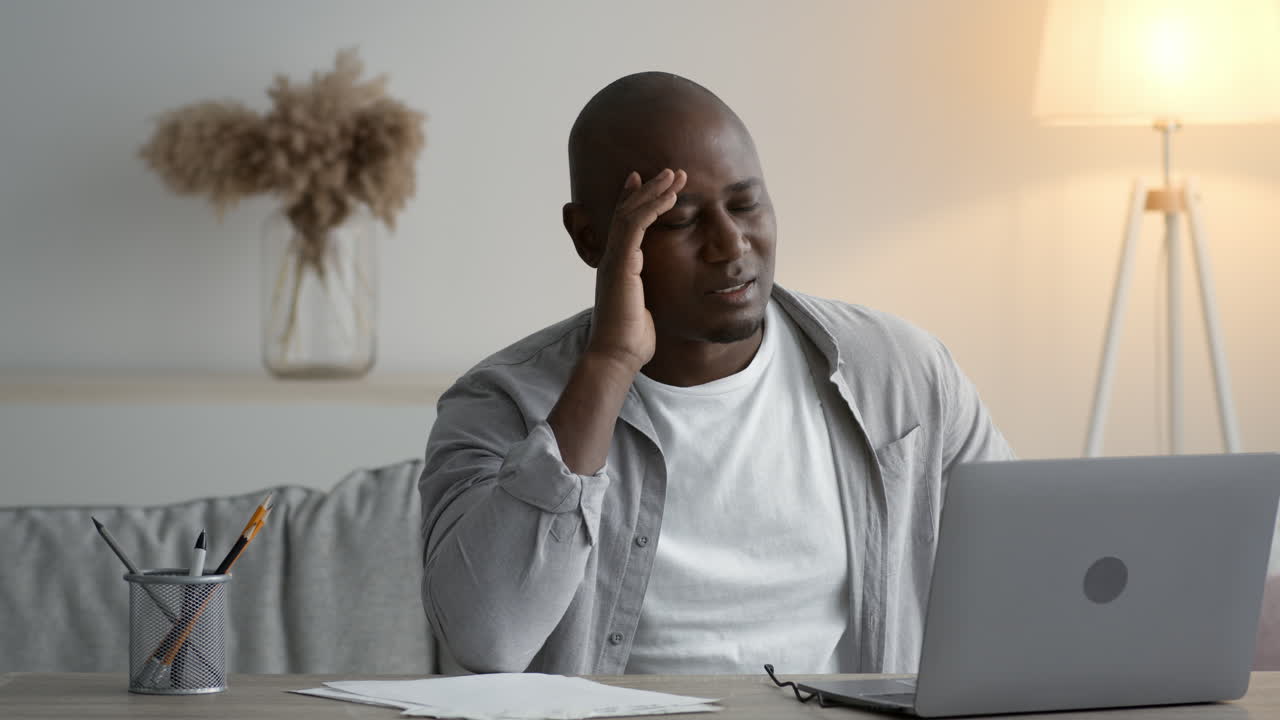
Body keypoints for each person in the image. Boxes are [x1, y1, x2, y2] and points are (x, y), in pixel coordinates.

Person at [418, 72, 1013, 676]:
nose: (731, 245)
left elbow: (1027, 570)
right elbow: (486, 639)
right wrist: (609, 364)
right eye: (680, 221)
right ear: (591, 237)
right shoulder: (501, 403)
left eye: (746, 204)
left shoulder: (902, 374)